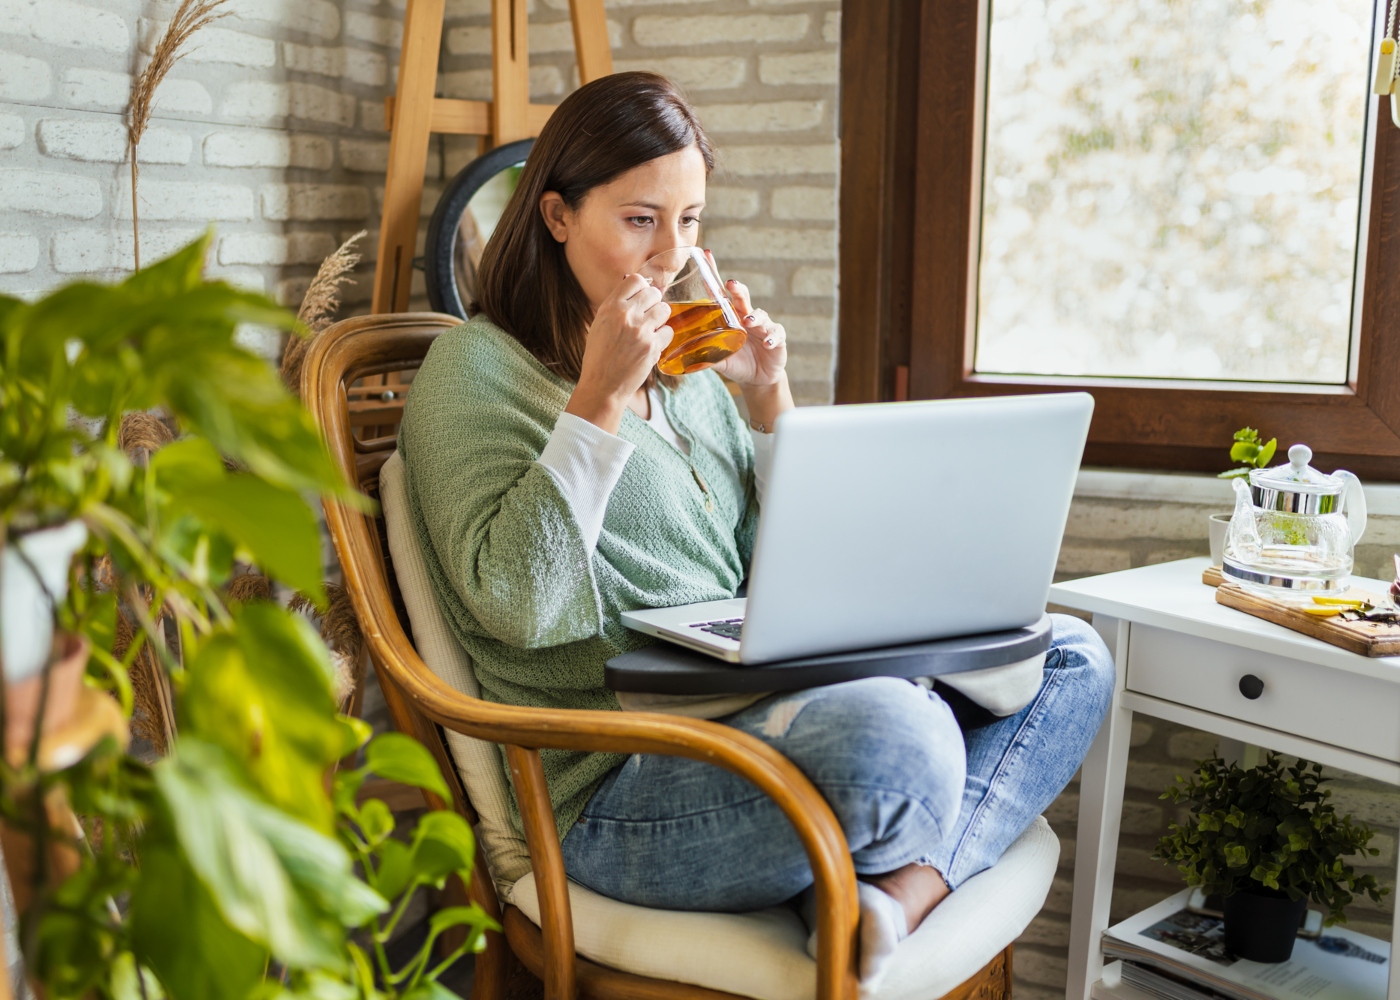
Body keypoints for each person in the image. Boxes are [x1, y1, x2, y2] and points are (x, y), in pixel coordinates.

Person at [399, 71, 1115, 987]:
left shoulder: (688, 376)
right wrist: (599, 399)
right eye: (641, 220)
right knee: (903, 738)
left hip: (756, 698)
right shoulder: (472, 372)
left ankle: (894, 893)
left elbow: (782, 564)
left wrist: (766, 399)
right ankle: (893, 844)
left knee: (1072, 658)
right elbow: (519, 606)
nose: (670, 254)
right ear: (556, 217)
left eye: (690, 221)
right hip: (619, 778)